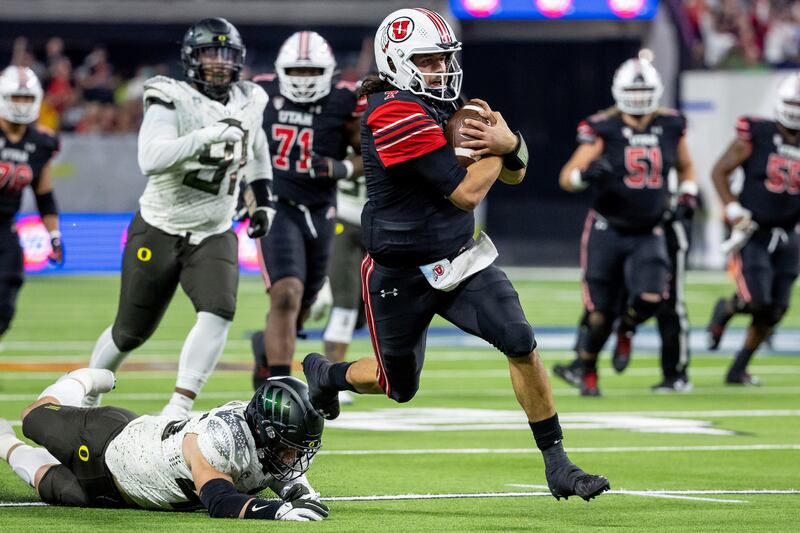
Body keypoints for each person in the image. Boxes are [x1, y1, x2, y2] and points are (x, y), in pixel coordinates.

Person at [301, 7, 609, 501]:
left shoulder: (450, 105)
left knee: (520, 340)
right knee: (396, 386)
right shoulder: (391, 112)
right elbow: (466, 192)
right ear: (396, 61)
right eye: (427, 60)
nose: (441, 69)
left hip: (461, 258)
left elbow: (516, 174)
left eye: (444, 58)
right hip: (399, 270)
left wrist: (512, 150)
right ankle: (329, 374)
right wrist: (504, 147)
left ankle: (557, 462)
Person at [86, 18, 275, 418]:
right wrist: (208, 135)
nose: (220, 64)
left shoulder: (250, 99)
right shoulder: (170, 96)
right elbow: (150, 159)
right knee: (130, 331)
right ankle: (86, 394)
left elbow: (257, 149)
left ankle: (179, 406)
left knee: (219, 310)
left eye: (227, 54)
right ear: (192, 58)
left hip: (214, 228)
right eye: (210, 54)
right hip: (160, 224)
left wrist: (264, 200)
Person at [0, 369, 329, 521]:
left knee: (45, 481)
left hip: (121, 496)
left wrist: (298, 493)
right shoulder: (221, 437)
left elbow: (282, 475)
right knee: (33, 418)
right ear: (264, 431)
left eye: (299, 449)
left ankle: (3, 441)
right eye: (289, 448)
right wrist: (277, 511)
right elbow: (219, 501)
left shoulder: (268, 445)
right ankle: (82, 380)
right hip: (109, 442)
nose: (294, 458)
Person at [553, 56, 697, 396]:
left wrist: (688, 194)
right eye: (632, 88)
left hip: (649, 228)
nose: (638, 95)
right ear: (619, 91)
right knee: (599, 311)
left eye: (644, 88)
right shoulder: (604, 128)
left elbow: (687, 167)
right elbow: (567, 178)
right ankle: (587, 369)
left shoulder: (671, 125)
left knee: (650, 297)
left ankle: (627, 329)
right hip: (608, 227)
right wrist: (585, 175)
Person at [250, 31, 363, 390]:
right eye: (296, 72)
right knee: (285, 293)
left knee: (307, 301)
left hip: (321, 209)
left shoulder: (346, 100)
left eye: (311, 71)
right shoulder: (259, 92)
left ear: (328, 72)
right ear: (282, 71)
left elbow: (374, 151)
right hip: (276, 203)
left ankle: (266, 354)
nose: (302, 80)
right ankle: (280, 388)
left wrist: (341, 168)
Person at [705, 73, 800, 385]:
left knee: (775, 309)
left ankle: (738, 368)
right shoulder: (757, 134)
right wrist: (732, 208)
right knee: (755, 299)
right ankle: (726, 309)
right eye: (791, 103)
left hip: (789, 233)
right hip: (754, 230)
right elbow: (720, 171)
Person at [0, 66, 63, 343]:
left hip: (4, 227)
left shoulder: (42, 142)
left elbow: (44, 194)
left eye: (27, 98)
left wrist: (54, 235)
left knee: (5, 302)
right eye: (16, 97)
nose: (21, 104)